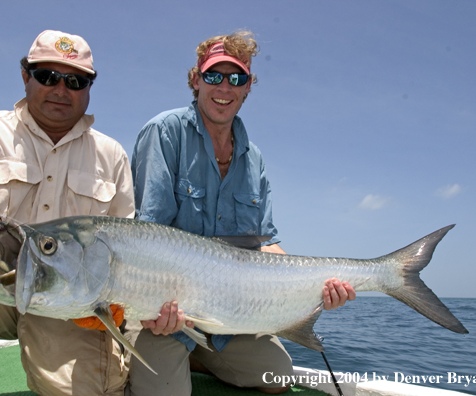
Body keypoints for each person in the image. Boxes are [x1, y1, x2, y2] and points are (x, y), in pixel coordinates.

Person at [129, 31, 356, 395]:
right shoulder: (164, 132)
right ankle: (176, 355)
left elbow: (267, 243)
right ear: (195, 79)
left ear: (248, 86)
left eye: (236, 78)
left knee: (278, 377)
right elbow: (148, 239)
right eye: (213, 75)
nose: (224, 87)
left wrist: (321, 287)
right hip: (170, 317)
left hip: (230, 320)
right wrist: (150, 309)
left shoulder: (255, 159)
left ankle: (202, 359)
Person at [0, 30, 135, 396]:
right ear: (25, 76)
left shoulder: (112, 156)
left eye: (76, 81)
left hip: (68, 305)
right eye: (47, 76)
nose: (61, 89)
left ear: (89, 87)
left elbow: (123, 245)